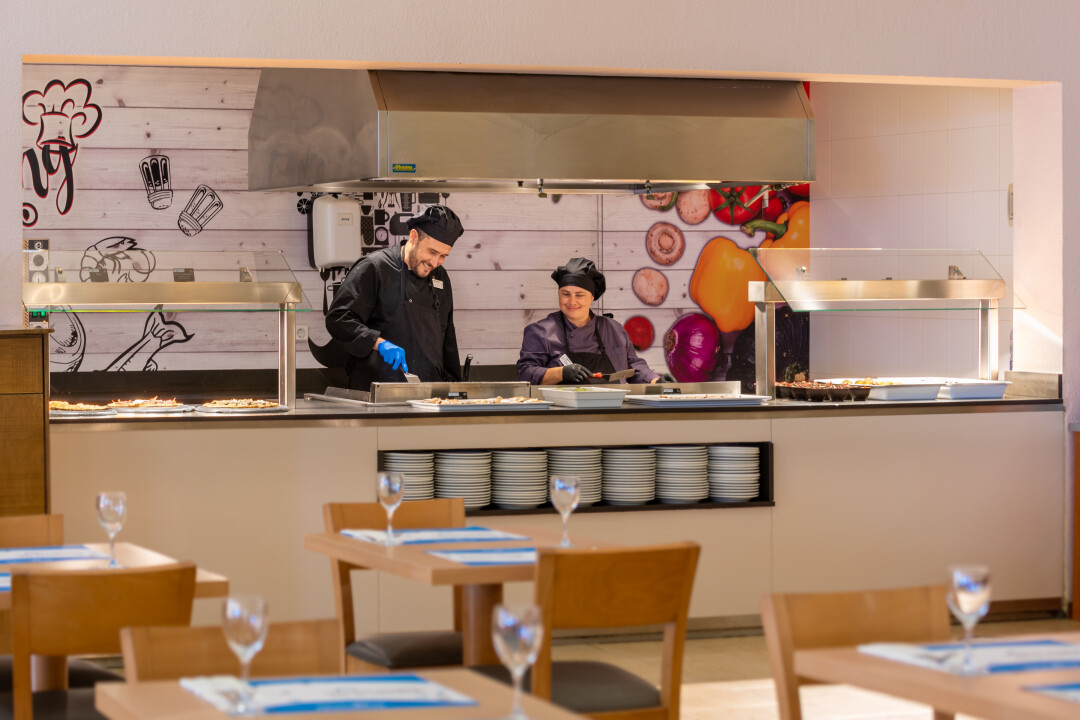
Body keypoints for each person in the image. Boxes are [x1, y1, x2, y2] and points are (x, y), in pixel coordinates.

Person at [326, 205, 464, 390]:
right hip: (377, 393)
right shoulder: (375, 267)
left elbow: (447, 338)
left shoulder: (440, 277)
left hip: (428, 394)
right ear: (413, 237)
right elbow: (338, 319)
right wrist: (378, 343)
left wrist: (455, 388)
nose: (435, 262)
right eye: (432, 252)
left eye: (443, 256)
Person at [517, 257, 677, 385]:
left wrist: (656, 381)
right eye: (565, 294)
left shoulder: (613, 329)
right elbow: (525, 373)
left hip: (613, 408)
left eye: (579, 295)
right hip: (563, 410)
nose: (572, 301)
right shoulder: (541, 331)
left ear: (592, 297)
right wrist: (561, 373)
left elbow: (634, 365)